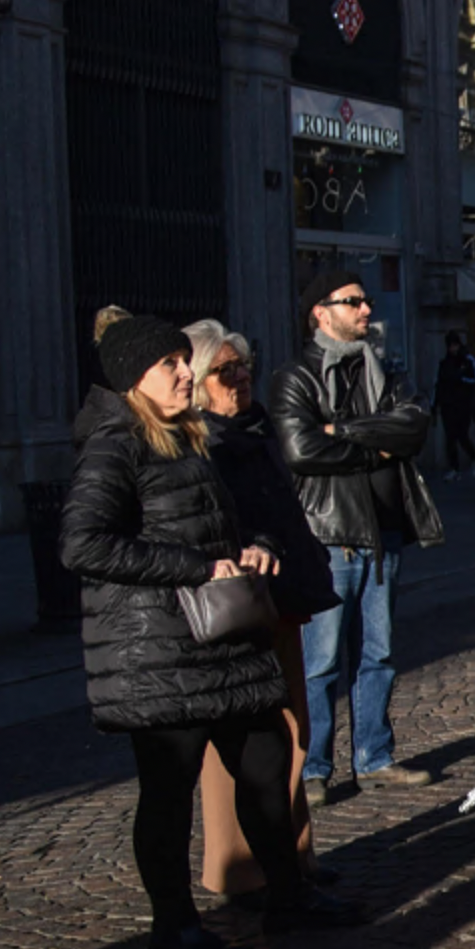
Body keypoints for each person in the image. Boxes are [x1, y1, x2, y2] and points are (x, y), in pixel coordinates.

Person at [68, 312, 361, 949]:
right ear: (134, 378)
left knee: (266, 759)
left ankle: (287, 895)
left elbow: (227, 521)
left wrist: (257, 545)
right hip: (158, 652)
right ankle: (173, 932)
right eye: (170, 365)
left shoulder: (187, 435)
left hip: (221, 640)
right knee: (167, 794)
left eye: (184, 361)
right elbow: (83, 544)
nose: (185, 374)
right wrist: (195, 567)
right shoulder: (115, 443)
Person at [270, 265, 444, 800]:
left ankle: (374, 757)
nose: (366, 310)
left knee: (379, 655)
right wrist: (374, 447)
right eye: (353, 301)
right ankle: (313, 768)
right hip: (328, 535)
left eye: (366, 300)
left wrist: (340, 430)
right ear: (320, 313)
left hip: (383, 533)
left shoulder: (386, 370)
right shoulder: (296, 377)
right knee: (320, 663)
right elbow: (301, 450)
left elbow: (413, 426)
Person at [184, 321, 336, 898]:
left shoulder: (255, 427)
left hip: (281, 596)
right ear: (199, 381)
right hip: (236, 605)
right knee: (243, 744)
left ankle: (297, 858)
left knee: (293, 729)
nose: (240, 377)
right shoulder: (201, 442)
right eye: (224, 370)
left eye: (244, 365)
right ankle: (241, 869)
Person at [436, 332, 475, 474]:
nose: (453, 349)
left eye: (455, 345)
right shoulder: (445, 363)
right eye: (450, 346)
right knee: (450, 438)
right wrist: (435, 405)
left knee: (462, 435)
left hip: (463, 404)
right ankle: (453, 468)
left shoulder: (467, 360)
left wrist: (461, 379)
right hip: (448, 405)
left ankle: (474, 458)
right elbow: (439, 385)